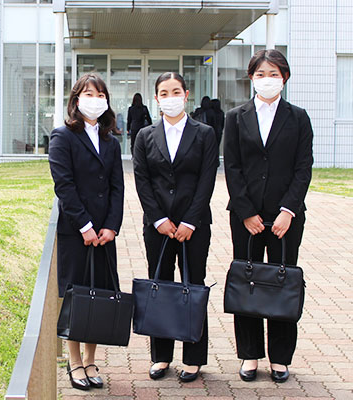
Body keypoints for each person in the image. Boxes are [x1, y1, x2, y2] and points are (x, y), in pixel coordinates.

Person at [222, 49, 313, 383]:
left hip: (286, 219)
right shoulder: (236, 117)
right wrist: (246, 212)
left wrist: (288, 210)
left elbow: (303, 167)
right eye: (260, 74)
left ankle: (280, 358)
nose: (267, 79)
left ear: (284, 78)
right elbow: (232, 166)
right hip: (246, 217)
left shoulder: (298, 117)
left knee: (281, 284)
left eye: (274, 73)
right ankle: (249, 354)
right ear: (251, 78)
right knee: (247, 283)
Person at [132, 72, 219, 383]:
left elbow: (207, 178)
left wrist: (190, 220)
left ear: (186, 94)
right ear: (156, 98)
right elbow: (142, 179)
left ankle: (193, 357)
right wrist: (158, 219)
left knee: (193, 286)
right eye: (164, 93)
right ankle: (161, 356)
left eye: (176, 91)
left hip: (194, 225)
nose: (170, 98)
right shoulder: (145, 135)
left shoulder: (204, 133)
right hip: (158, 226)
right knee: (161, 286)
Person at [48, 73, 125, 391]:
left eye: (100, 95)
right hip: (76, 232)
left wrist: (111, 226)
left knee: (100, 295)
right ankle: (74, 360)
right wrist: (85, 226)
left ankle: (91, 360)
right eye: (89, 94)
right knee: (77, 296)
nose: (95, 100)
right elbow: (64, 186)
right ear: (76, 100)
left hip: (104, 234)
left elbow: (117, 188)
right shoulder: (63, 136)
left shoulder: (111, 142)